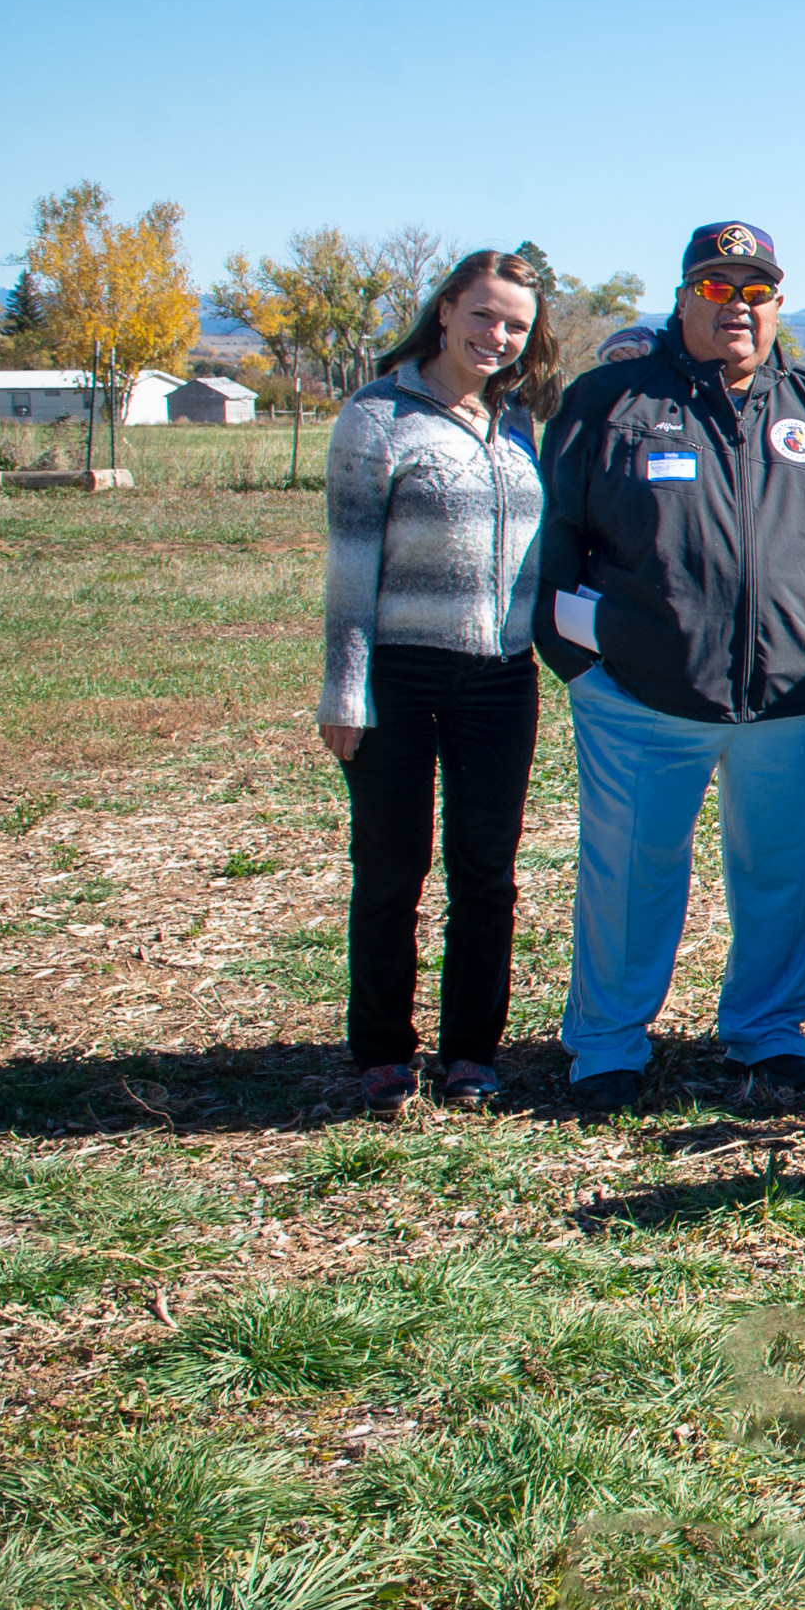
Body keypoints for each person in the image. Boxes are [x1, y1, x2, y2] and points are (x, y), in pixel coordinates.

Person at [535, 221, 805, 1115]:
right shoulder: (609, 403)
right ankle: (607, 1046)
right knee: (630, 874)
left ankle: (769, 1031)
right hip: (641, 698)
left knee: (785, 875)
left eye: (754, 291)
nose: (736, 307)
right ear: (681, 295)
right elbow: (554, 545)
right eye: (715, 286)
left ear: (778, 305)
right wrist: (583, 665)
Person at [318, 249, 556, 1109]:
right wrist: (346, 688)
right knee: (393, 864)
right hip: (399, 673)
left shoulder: (518, 421)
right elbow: (350, 566)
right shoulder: (378, 416)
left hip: (501, 677)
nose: (498, 336)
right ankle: (383, 1048)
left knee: (486, 872)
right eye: (485, 316)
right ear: (448, 309)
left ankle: (470, 1053)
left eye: (516, 326)